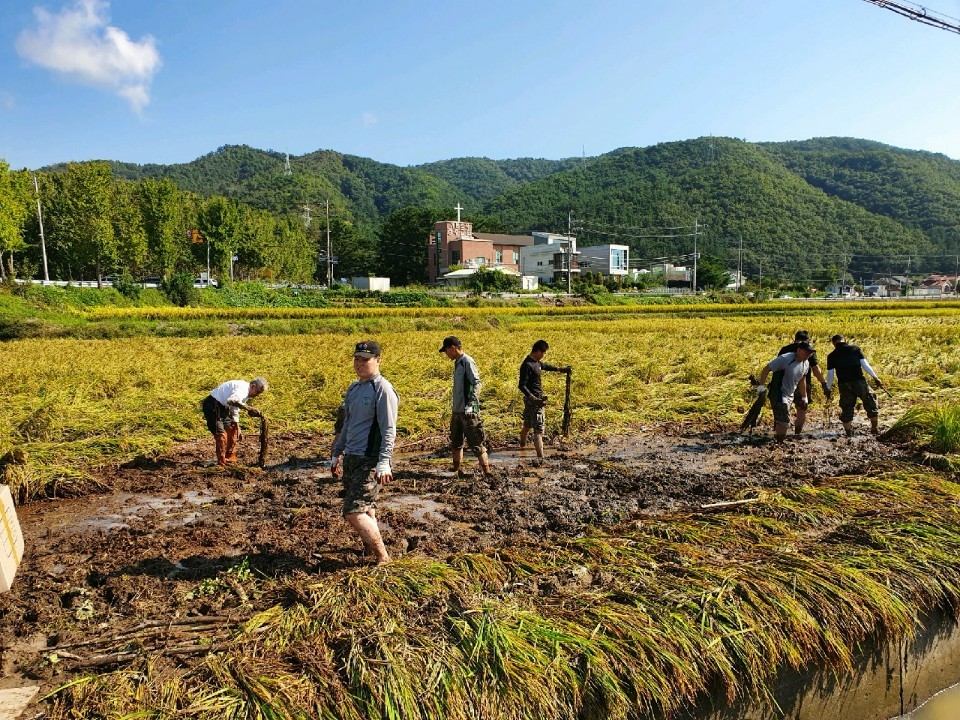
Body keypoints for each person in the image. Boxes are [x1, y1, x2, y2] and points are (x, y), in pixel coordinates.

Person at [331, 340, 399, 565]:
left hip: (369, 458)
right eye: (357, 359)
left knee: (353, 511)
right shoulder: (354, 388)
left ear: (378, 360)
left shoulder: (383, 389)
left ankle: (383, 556)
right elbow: (347, 423)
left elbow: (389, 428)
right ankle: (372, 551)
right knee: (367, 509)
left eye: (365, 359)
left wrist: (384, 461)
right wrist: (337, 452)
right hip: (352, 456)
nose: (360, 363)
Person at [439, 336, 493, 477]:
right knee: (456, 442)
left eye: (446, 351)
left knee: (476, 442)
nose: (446, 354)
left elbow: (477, 383)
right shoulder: (458, 363)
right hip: (457, 410)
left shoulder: (467, 361)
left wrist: (471, 404)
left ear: (452, 347)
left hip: (468, 411)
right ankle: (456, 469)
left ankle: (487, 472)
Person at [518, 339, 571, 461]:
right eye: (543, 352)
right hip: (535, 400)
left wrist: (560, 369)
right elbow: (521, 385)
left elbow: (545, 366)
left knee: (527, 424)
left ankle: (522, 445)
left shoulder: (537, 362)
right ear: (537, 351)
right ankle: (541, 458)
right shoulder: (527, 365)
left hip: (533, 400)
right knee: (539, 430)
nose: (544, 355)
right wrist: (533, 398)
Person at [755, 342, 815, 442]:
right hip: (778, 393)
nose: (808, 355)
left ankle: (777, 439)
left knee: (781, 421)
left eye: (810, 353)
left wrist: (804, 397)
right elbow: (766, 369)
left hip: (789, 394)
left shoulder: (806, 363)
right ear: (799, 350)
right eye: (806, 352)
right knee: (784, 422)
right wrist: (761, 387)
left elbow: (802, 380)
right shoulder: (785, 359)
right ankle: (779, 443)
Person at [825, 334, 882, 437]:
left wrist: (828, 388)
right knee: (870, 401)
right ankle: (874, 428)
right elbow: (865, 365)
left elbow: (830, 375)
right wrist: (875, 378)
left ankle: (848, 433)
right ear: (845, 340)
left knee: (846, 407)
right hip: (859, 381)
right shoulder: (855, 349)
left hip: (844, 384)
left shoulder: (831, 355)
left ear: (833, 343)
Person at [202, 377, 267, 466]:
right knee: (221, 435)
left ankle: (229, 456)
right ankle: (221, 461)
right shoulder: (242, 389)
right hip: (213, 405)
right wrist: (248, 408)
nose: (257, 395)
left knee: (233, 430)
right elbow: (232, 400)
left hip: (223, 407)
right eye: (257, 392)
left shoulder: (246, 393)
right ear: (253, 386)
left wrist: (237, 426)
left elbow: (235, 408)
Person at [776, 330, 829, 435]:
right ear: (808, 340)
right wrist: (823, 383)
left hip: (784, 384)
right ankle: (797, 434)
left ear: (795, 339)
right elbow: (815, 369)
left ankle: (780, 434)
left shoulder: (785, 349)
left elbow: (777, 367)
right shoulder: (808, 350)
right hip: (803, 384)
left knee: (782, 409)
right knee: (801, 409)